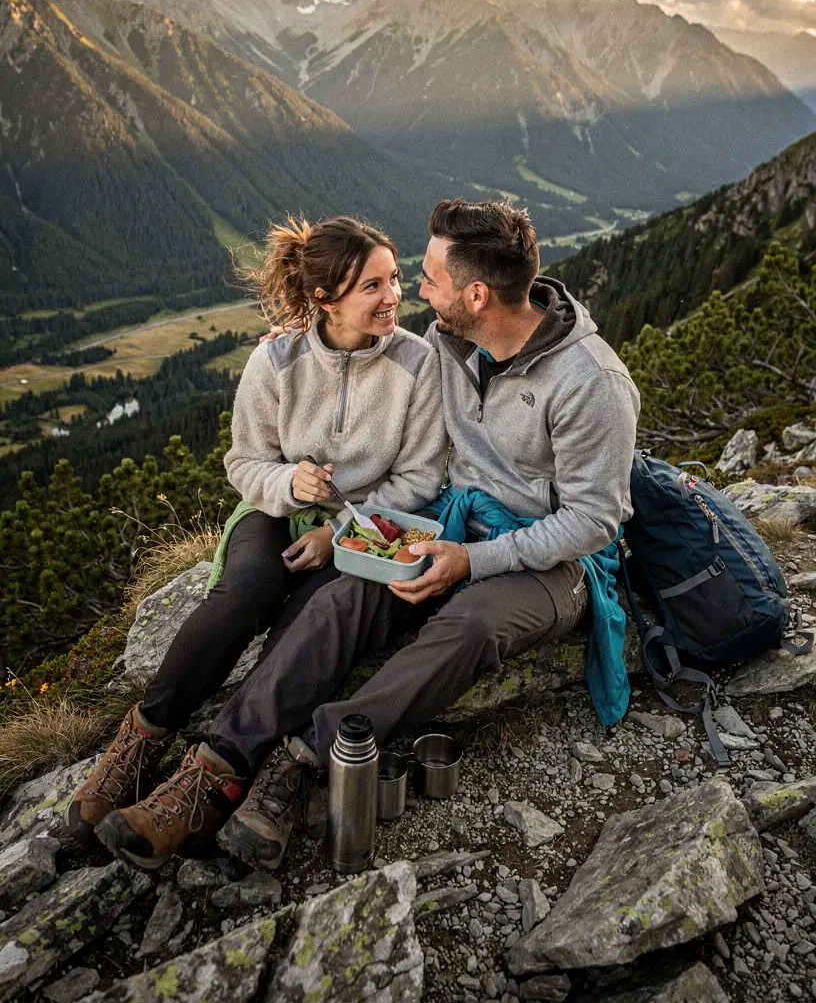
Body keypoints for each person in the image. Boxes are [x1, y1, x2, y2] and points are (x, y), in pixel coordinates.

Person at [95, 198, 640, 874]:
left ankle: (302, 761)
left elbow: (594, 521)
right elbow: (359, 349)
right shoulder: (455, 340)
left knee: (467, 626)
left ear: (475, 293)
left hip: (550, 564)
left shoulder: (593, 384)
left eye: (430, 277)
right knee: (344, 596)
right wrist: (294, 338)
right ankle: (216, 771)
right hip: (451, 523)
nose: (419, 291)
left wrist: (473, 560)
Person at [69, 214, 446, 850]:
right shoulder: (275, 358)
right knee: (244, 591)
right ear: (324, 298)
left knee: (308, 622)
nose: (393, 297)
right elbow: (243, 463)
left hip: (361, 533)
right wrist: (287, 485)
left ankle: (208, 777)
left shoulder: (417, 364)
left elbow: (422, 475)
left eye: (396, 278)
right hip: (273, 513)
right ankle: (142, 737)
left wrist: (342, 533)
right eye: (373, 286)